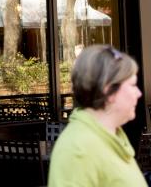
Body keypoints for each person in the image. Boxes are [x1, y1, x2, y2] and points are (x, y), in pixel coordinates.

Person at [48, 45, 146, 187]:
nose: (139, 93)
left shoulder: (110, 136)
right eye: (132, 85)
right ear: (108, 90)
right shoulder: (78, 149)